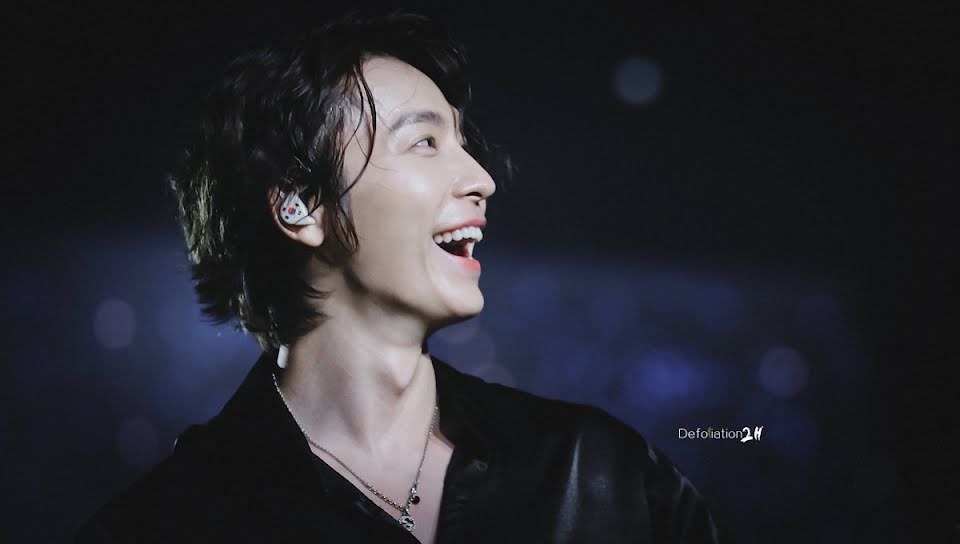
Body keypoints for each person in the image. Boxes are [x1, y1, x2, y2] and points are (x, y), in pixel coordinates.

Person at [78, 10, 728, 544]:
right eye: (424, 142)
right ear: (299, 205)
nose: (482, 180)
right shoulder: (163, 526)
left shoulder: (604, 476)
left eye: (464, 144)